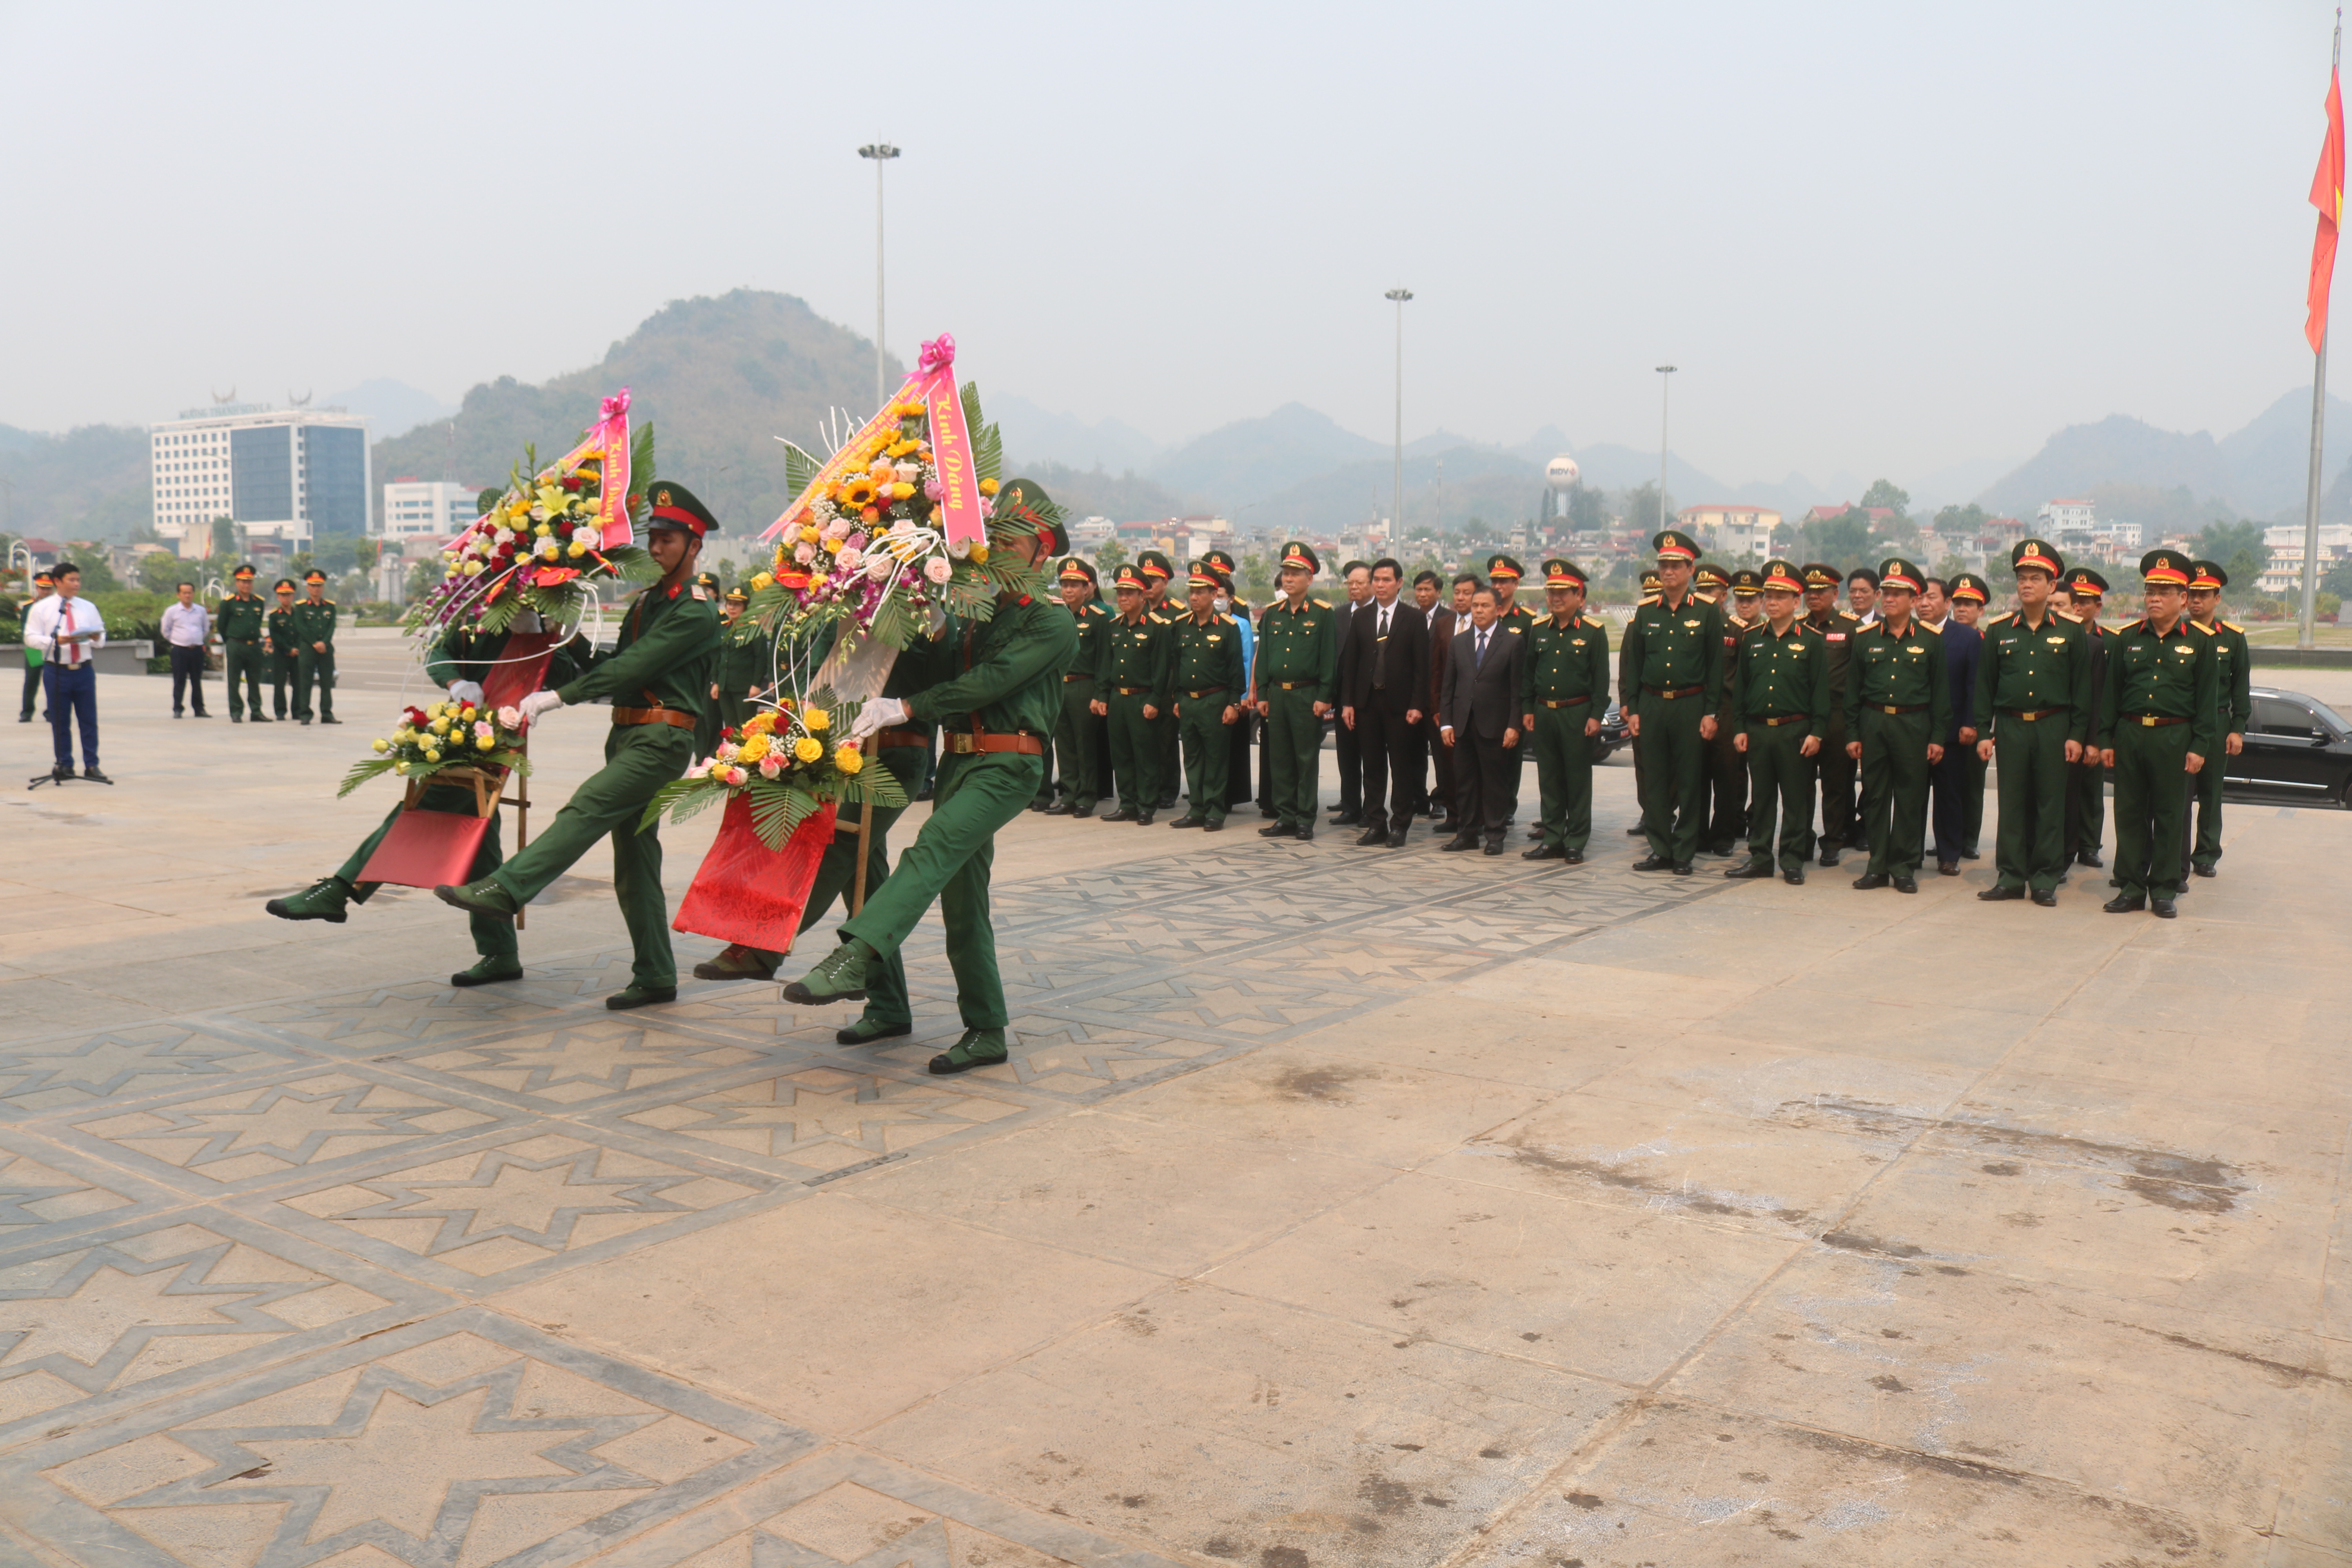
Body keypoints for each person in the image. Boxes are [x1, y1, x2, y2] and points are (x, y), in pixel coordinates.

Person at [784, 481, 1080, 1074]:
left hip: (1008, 763)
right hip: (960, 762)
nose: (995, 548)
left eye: (1012, 541)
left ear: (1042, 553)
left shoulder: (1050, 623)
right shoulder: (976, 617)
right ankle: (987, 1029)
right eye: (991, 536)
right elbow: (921, 658)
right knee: (962, 900)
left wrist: (908, 708)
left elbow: (988, 684)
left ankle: (857, 956)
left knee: (932, 846)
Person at [433, 481, 725, 1009]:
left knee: (587, 806)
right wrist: (557, 631)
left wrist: (557, 698)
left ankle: (508, 887)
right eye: (652, 538)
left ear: (695, 544)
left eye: (668, 539)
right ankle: (656, 973)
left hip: (661, 741)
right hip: (629, 735)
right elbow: (611, 664)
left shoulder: (695, 611)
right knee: (635, 865)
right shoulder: (648, 603)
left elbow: (635, 667)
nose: (656, 548)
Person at [267, 622, 589, 985]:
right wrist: (455, 682)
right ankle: (500, 954)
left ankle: (340, 890)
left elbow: (565, 672)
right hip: (464, 723)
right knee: (478, 836)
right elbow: (438, 653)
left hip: (500, 734)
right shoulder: (476, 612)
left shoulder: (545, 619)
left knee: (430, 801)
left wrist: (546, 636)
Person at [691, 638, 937, 1041]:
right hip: (838, 749)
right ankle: (890, 1005)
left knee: (841, 849)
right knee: (866, 875)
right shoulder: (845, 599)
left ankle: (761, 948)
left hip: (895, 752)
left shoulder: (918, 604)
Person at [2098, 550, 2218, 919]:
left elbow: (2207, 702)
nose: (2154, 597)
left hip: (2175, 738)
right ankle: (2132, 888)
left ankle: (2164, 889)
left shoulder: (2201, 642)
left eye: (2165, 591)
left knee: (2169, 815)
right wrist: (2106, 740)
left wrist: (2199, 746)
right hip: (2131, 734)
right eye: (2150, 590)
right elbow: (2111, 695)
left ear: (2183, 599)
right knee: (2130, 814)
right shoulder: (2127, 639)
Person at [1973, 540, 2091, 907]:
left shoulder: (2071, 632)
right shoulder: (1999, 630)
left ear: (2052, 586)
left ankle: (2044, 879)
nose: (2027, 585)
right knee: (2011, 804)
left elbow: (2081, 690)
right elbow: (1985, 686)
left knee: (2050, 805)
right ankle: (2009, 877)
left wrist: (2076, 735)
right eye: (2022, 578)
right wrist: (1982, 732)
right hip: (2010, 727)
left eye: (2035, 579)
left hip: (2053, 726)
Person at [1622, 530, 1725, 874]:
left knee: (1689, 779)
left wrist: (1712, 712)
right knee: (1655, 780)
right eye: (1663, 566)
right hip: (1652, 704)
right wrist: (1633, 708)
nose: (1668, 572)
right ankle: (1660, 847)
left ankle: (1684, 851)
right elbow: (1634, 664)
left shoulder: (1708, 612)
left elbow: (1715, 666)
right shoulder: (1646, 612)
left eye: (1675, 566)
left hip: (1690, 704)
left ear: (1690, 569)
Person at [1844, 557, 1947, 893]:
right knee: (1874, 796)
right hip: (1874, 722)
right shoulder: (1865, 637)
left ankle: (1902, 866)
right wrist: (1853, 734)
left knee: (1909, 798)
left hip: (1914, 724)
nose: (1888, 599)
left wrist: (1937, 737)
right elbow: (1853, 692)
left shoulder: (1931, 640)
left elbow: (1941, 695)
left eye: (1897, 594)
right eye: (1885, 593)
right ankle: (1877, 866)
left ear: (1914, 600)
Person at [1725, 559, 1828, 884]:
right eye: (1768, 596)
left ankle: (1793, 859)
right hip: (1758, 729)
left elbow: (1820, 693)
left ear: (1796, 602)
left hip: (1795, 731)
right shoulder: (1753, 637)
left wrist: (1818, 733)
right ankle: (1760, 857)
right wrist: (1740, 728)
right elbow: (1741, 688)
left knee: (1796, 799)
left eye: (1780, 597)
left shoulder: (1811, 640)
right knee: (1763, 797)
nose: (1772, 602)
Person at [1519, 559, 1608, 862]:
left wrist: (1596, 715)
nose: (1556, 598)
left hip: (1578, 713)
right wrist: (1528, 708)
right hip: (1545, 712)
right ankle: (1553, 837)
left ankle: (1576, 840)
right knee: (1550, 778)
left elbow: (1601, 678)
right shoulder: (1539, 629)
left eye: (1563, 593)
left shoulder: (1594, 632)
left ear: (1579, 596)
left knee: (1577, 779)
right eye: (1551, 592)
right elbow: (1529, 674)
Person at [1339, 557, 1428, 847]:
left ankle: (1400, 825)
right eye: (1376, 579)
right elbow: (1351, 662)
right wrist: (1349, 703)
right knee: (1373, 767)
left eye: (1386, 580)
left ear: (1400, 583)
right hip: (1367, 704)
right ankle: (1375, 822)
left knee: (1402, 768)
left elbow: (1421, 668)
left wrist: (1417, 704)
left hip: (1401, 706)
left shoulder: (1413, 619)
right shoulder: (1362, 617)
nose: (1380, 585)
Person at [1254, 542, 1338, 841]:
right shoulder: (1273, 614)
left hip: (1306, 695)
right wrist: (1262, 694)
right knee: (1280, 759)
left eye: (1295, 574)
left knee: (1305, 759)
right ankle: (1285, 816)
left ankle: (1305, 818)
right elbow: (1263, 658)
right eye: (1286, 574)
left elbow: (1329, 659)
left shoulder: (1323, 614)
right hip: (1277, 695)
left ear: (1310, 578)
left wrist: (1325, 696)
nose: (1288, 579)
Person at [1437, 584, 1526, 855]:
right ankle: (1466, 834)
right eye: (1475, 606)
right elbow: (1449, 686)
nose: (1478, 611)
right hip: (1463, 724)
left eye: (1485, 606)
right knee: (1465, 782)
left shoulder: (1512, 642)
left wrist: (1514, 725)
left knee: (1495, 784)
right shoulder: (1459, 641)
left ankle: (1495, 835)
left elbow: (1516, 690)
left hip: (1496, 726)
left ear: (1498, 610)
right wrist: (1447, 723)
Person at [2184, 560, 2250, 880]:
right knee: (2178, 793)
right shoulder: (2176, 633)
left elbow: (2240, 688)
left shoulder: (2233, 639)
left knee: (2211, 792)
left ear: (2217, 598)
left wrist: (2238, 729)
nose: (2196, 601)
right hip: (2182, 724)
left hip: (2218, 722)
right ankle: (2175, 853)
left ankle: (2207, 853)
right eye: (2191, 594)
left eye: (2204, 595)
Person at [1168, 563, 1247, 831]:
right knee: (1192, 757)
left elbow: (1236, 669)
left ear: (1214, 595)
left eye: (1201, 592)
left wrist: (1234, 703)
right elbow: (1176, 665)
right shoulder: (1181, 626)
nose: (1194, 597)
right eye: (1192, 592)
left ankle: (1215, 810)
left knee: (1215, 759)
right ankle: (1197, 808)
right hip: (1189, 701)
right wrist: (1178, 697)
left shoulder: (1228, 628)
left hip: (1215, 701)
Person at [1094, 564, 1172, 824]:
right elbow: (1106, 664)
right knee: (1122, 754)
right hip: (1118, 698)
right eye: (1120, 593)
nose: (1124, 598)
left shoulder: (1157, 627)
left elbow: (1162, 668)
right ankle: (1127, 802)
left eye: (1130, 593)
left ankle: (1146, 805)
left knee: (1145, 755)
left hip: (1143, 698)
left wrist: (1155, 700)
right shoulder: (1113, 626)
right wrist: (1103, 695)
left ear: (1142, 595)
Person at [1800, 563, 1864, 863]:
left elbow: (1859, 677)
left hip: (1838, 715)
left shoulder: (1851, 628)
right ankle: (1802, 840)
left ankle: (1833, 842)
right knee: (1800, 782)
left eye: (1821, 591)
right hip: (1805, 714)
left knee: (1836, 784)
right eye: (1809, 592)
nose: (1814, 597)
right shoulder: (1799, 626)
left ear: (1835, 593)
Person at [24, 561, 107, 783]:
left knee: (88, 720)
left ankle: (92, 765)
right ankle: (65, 765)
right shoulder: (41, 608)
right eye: (72, 580)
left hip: (84, 670)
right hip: (57, 671)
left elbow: (101, 637)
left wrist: (97, 637)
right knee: (60, 721)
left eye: (78, 580)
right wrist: (54, 640)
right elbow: (29, 637)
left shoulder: (88, 607)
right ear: (57, 582)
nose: (77, 584)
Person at [1921, 576, 1980, 875]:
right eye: (1920, 597)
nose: (1924, 603)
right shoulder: (1910, 633)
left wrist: (1971, 723)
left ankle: (1949, 855)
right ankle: (1909, 851)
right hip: (1915, 730)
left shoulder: (1966, 637)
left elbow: (1973, 686)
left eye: (1931, 597)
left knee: (1949, 796)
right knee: (1913, 796)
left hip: (1953, 732)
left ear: (1947, 603)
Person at [1044, 557, 1110, 817]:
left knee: (1085, 746)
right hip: (1061, 686)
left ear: (1087, 588)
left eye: (1075, 585)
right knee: (1065, 745)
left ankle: (1087, 797)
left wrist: (1100, 693)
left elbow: (1105, 659)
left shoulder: (1098, 618)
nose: (1069, 590)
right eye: (1065, 585)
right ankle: (1069, 796)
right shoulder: (1057, 616)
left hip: (1085, 686)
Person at [2059, 566, 2114, 872]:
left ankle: (2089, 845)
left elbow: (2109, 693)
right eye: (2075, 598)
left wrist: (2100, 736)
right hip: (2064, 727)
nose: (2080, 605)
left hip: (2095, 727)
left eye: (2087, 600)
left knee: (2092, 790)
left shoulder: (2110, 641)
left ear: (2097, 606)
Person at [1702, 567, 1761, 855]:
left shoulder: (1739, 629)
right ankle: (1697, 833)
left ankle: (1723, 835)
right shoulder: (1692, 625)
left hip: (1727, 712)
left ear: (1723, 596)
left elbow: (1746, 678)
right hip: (1697, 710)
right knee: (1695, 777)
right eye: (1699, 592)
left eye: (1710, 593)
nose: (1704, 599)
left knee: (1727, 778)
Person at [1201, 547, 1255, 816]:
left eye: (1221, 576)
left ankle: (1229, 794)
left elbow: (1244, 659)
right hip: (1206, 692)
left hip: (1232, 693)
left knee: (1231, 749)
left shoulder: (1240, 614)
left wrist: (1243, 695)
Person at [1426, 573, 1475, 833]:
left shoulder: (1484, 623)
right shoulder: (1444, 624)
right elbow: (1435, 670)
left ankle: (1474, 819)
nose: (1461, 598)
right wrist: (1436, 708)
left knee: (1472, 769)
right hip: (1447, 710)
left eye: (1467, 593)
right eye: (1457, 592)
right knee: (1449, 767)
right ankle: (1454, 816)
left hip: (1476, 709)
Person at [1948, 573, 1991, 857]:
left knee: (1973, 784)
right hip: (1947, 724)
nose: (1962, 609)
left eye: (1969, 604)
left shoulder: (1989, 641)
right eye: (1959, 603)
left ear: (1981, 610)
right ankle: (1949, 836)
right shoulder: (1943, 638)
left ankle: (1969, 839)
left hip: (1977, 725)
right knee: (1948, 786)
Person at [1136, 549, 1182, 810]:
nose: (1149, 585)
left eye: (1154, 580)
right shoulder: (1136, 610)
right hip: (1142, 686)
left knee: (1166, 742)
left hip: (1167, 688)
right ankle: (1148, 788)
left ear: (1165, 583)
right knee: (1145, 743)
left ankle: (1168, 790)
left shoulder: (1176, 612)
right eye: (1146, 580)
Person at [697, 583, 764, 762]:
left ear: (746, 607)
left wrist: (756, 684)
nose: (732, 608)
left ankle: (749, 761)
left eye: (737, 605)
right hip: (725, 686)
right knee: (731, 727)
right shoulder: (724, 628)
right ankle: (733, 760)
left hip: (744, 687)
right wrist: (716, 682)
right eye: (730, 604)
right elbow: (719, 658)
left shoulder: (753, 629)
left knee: (747, 727)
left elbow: (760, 659)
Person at [1329, 559, 1373, 828]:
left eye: (1360, 583)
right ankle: (1350, 806)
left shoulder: (1380, 616)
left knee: (1371, 757)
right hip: (1342, 698)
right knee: (1346, 755)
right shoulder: (1340, 615)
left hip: (1370, 699)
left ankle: (1372, 808)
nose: (1354, 588)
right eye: (1350, 583)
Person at [1621, 566, 1663, 838]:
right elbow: (1628, 667)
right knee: (1643, 764)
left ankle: (1666, 813)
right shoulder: (1635, 626)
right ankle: (1648, 812)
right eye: (1646, 596)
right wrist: (1627, 702)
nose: (1649, 601)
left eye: (1654, 596)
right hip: (1642, 706)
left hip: (1666, 704)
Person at [1409, 570, 1454, 821]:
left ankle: (1442, 800)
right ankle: (1419, 798)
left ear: (1438, 592)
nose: (1422, 594)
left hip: (1437, 699)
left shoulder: (1448, 619)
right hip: (1414, 699)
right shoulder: (1409, 617)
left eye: (1428, 590)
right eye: (1419, 590)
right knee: (1414, 753)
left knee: (1441, 754)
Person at [217, 564, 273, 722]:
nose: (246, 585)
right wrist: (230, 641)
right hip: (236, 645)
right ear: (237, 583)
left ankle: (256, 711)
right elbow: (222, 625)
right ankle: (236, 711)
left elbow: (257, 622)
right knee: (234, 680)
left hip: (254, 645)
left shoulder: (259, 602)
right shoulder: (229, 602)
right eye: (243, 581)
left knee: (254, 680)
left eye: (249, 582)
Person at [291, 569, 340, 725]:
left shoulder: (330, 607)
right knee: (305, 682)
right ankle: (305, 714)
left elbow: (331, 627)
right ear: (307, 588)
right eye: (313, 585)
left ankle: (327, 713)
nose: (316, 589)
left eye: (319, 585)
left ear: (323, 587)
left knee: (327, 682)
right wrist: (314, 643)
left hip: (325, 649)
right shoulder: (301, 607)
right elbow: (301, 627)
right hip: (308, 648)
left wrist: (324, 643)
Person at [160, 581, 213, 719]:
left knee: (197, 680)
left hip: (196, 650)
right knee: (179, 680)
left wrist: (195, 639)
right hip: (180, 651)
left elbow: (205, 629)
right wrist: (179, 640)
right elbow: (165, 630)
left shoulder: (201, 611)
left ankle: (199, 709)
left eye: (190, 593)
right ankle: (178, 709)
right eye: (184, 593)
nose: (188, 596)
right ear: (179, 595)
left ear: (194, 594)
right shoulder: (172, 611)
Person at [18, 569, 53, 723]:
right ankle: (27, 712)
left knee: (52, 681)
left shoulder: (58, 606)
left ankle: (51, 712)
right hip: (34, 650)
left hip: (52, 649)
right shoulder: (29, 607)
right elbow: (25, 629)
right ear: (37, 588)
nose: (45, 591)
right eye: (43, 588)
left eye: (48, 588)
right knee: (32, 681)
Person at [266, 579, 300, 719]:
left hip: (297, 654)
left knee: (298, 684)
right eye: (283, 595)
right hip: (281, 654)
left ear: (293, 596)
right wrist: (288, 649)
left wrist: (297, 648)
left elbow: (303, 632)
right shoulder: (275, 615)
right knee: (280, 685)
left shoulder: (299, 613)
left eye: (289, 594)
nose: (286, 597)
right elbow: (275, 636)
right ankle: (280, 712)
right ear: (278, 597)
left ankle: (297, 711)